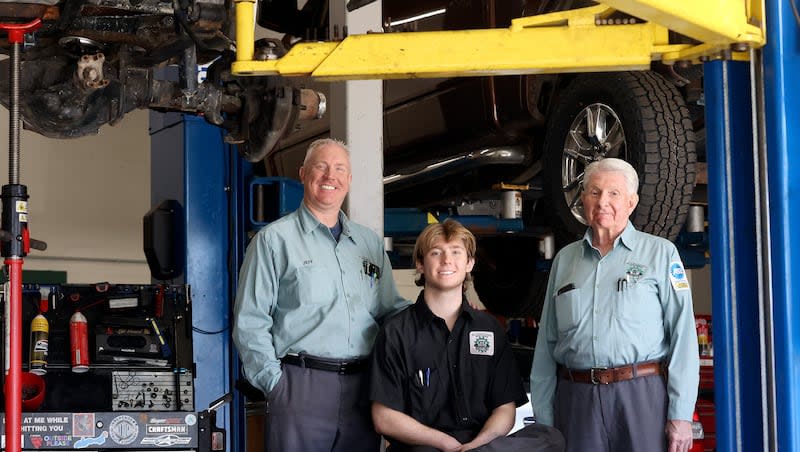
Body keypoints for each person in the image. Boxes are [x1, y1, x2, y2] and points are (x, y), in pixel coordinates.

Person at [233, 138, 409, 451]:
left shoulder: (368, 244)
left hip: (364, 388)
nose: (331, 176)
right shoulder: (274, 241)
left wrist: (438, 316)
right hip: (300, 386)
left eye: (340, 169)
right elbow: (250, 321)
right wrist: (276, 385)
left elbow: (390, 310)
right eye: (321, 167)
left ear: (350, 180)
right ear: (303, 174)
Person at [530, 158, 699, 452]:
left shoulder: (660, 253)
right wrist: (544, 420)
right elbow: (546, 344)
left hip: (641, 395)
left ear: (631, 202)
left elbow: (683, 339)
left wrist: (681, 414)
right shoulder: (565, 260)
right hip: (576, 399)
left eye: (614, 193)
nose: (602, 202)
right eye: (594, 192)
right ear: (582, 199)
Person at [370, 219, 565, 452]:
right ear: (420, 264)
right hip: (426, 446)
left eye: (456, 252)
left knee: (549, 437)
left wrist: (477, 445)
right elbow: (383, 417)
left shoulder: (489, 329)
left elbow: (505, 409)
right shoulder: (396, 332)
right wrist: (444, 443)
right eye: (436, 252)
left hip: (480, 445)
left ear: (470, 263)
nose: (447, 261)